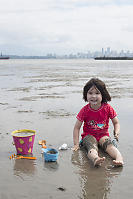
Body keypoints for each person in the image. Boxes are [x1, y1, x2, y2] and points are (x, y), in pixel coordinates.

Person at [73, 78, 124, 167]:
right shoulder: (85, 110)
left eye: (97, 93)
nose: (93, 96)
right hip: (88, 135)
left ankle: (119, 158)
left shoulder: (107, 108)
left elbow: (116, 123)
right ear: (86, 94)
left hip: (103, 135)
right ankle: (95, 159)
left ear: (103, 94)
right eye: (90, 93)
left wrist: (116, 132)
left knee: (109, 146)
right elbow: (77, 127)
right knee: (91, 147)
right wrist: (76, 144)